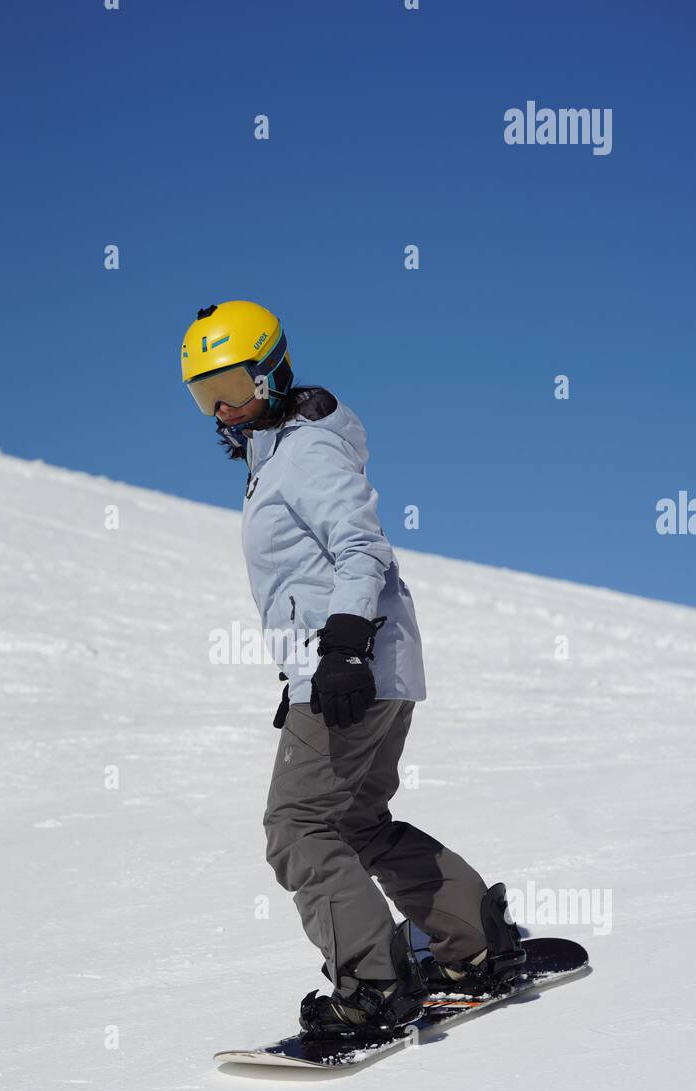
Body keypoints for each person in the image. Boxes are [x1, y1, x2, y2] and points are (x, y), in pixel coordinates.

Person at [180, 300, 524, 1039]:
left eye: (235, 384)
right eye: (207, 394)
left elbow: (361, 546)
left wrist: (340, 648)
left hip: (351, 666)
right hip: (371, 664)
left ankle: (373, 986)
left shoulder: (304, 452)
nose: (225, 407)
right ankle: (472, 946)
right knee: (358, 821)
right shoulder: (276, 453)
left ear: (273, 369)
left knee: (298, 826)